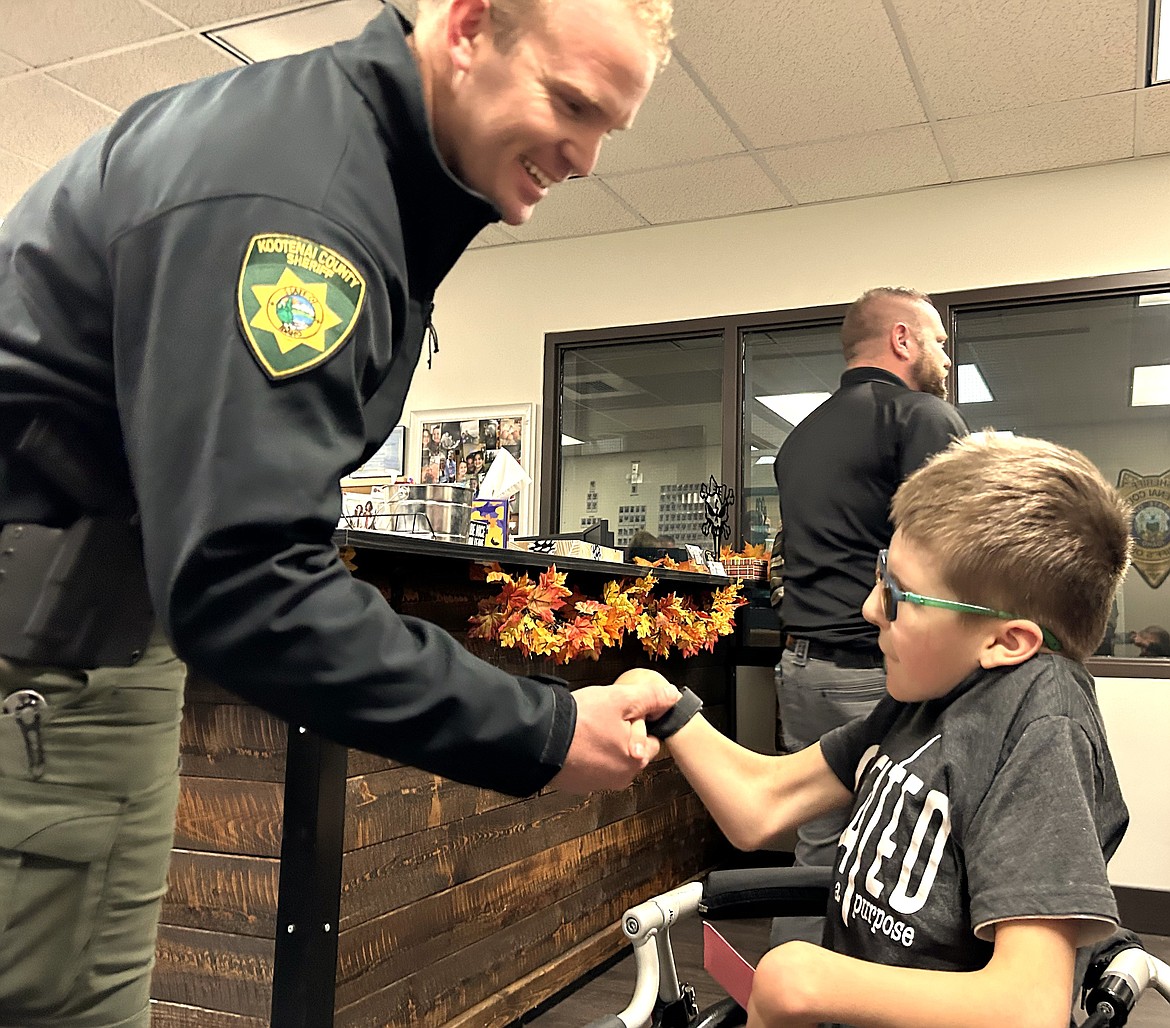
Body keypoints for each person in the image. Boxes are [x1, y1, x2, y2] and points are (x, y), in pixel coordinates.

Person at [0, 0, 675, 1024]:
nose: (583, 154)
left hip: (90, 651)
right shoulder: (302, 205)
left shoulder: (346, 160)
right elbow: (245, 579)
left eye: (606, 128)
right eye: (570, 101)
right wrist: (541, 729)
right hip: (42, 672)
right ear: (468, 26)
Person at [663, 434, 1132, 1027]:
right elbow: (758, 803)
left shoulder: (1043, 726)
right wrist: (668, 711)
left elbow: (1027, 1007)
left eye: (899, 595)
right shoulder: (926, 699)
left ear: (1006, 641)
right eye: (882, 572)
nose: (868, 607)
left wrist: (803, 981)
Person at [771, 286, 969, 937]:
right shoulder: (922, 417)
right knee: (901, 865)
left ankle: (796, 1003)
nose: (945, 349)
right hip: (876, 675)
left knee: (818, 848)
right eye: (937, 337)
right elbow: (951, 554)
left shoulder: (798, 439)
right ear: (903, 338)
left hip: (800, 670)